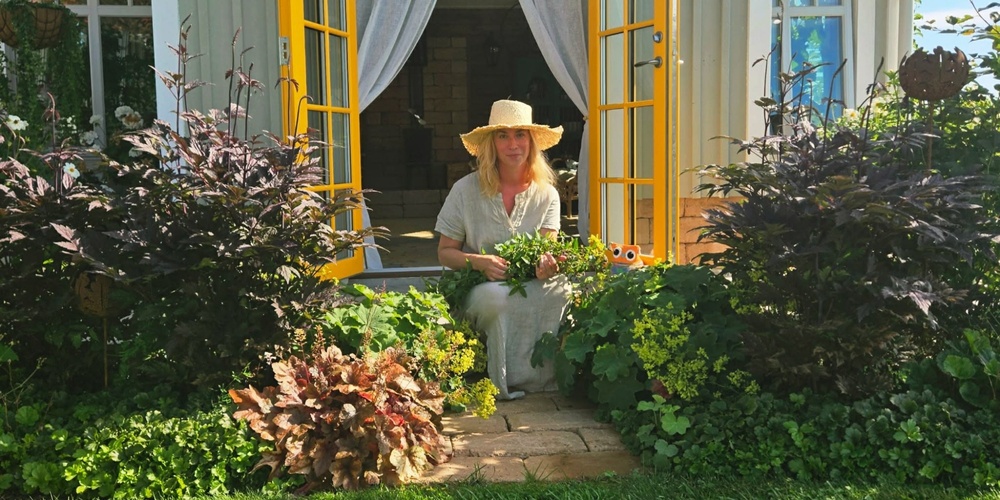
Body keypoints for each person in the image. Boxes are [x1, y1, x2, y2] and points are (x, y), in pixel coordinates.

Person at [435, 99, 571, 400]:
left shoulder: (547, 194)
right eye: (503, 135)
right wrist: (479, 262)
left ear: (532, 142)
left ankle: (543, 379)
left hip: (532, 283)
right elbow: (445, 252)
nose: (513, 144)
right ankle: (500, 380)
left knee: (563, 290)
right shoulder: (465, 190)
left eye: (520, 134)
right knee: (497, 299)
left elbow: (545, 250)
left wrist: (546, 265)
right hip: (483, 283)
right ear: (491, 144)